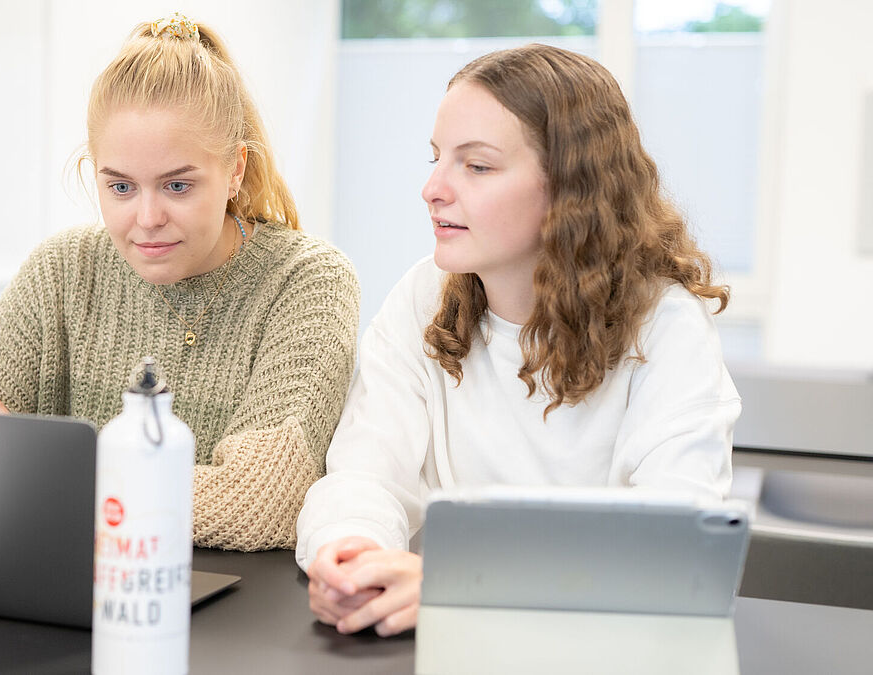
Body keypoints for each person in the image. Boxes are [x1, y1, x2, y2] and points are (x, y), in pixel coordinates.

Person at [296, 44, 740, 636]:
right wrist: (350, 555)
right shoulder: (424, 296)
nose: (432, 188)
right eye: (436, 159)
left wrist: (460, 587)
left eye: (476, 166)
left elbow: (677, 546)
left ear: (570, 189)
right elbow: (365, 474)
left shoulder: (665, 325)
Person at [0, 13, 359, 552]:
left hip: (225, 617)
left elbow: (259, 503)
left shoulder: (307, 281)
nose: (147, 217)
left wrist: (44, 477)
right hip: (64, 596)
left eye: (177, 185)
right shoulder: (62, 270)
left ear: (235, 170)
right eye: (121, 187)